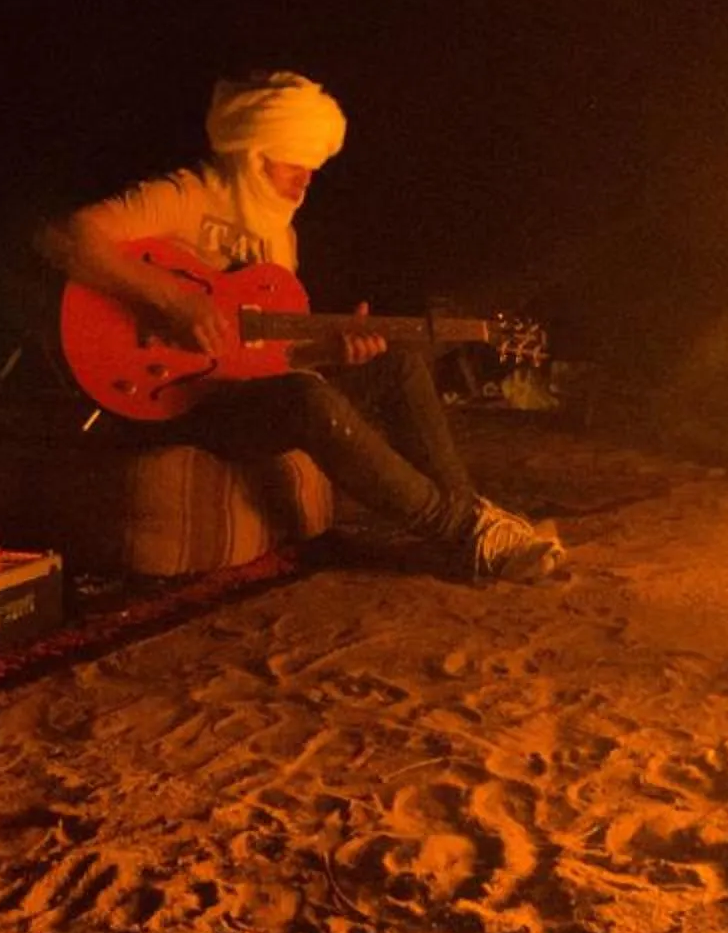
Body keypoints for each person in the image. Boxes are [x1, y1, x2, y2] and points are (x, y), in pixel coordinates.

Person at [37, 72, 563, 583]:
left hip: (244, 396)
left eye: (313, 166)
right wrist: (172, 301)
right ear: (253, 153)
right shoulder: (185, 195)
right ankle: (460, 532)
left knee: (396, 362)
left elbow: (272, 356)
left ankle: (473, 519)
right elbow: (67, 237)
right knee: (307, 403)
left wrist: (332, 352)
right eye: (295, 162)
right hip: (171, 398)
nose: (307, 177)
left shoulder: (280, 237)